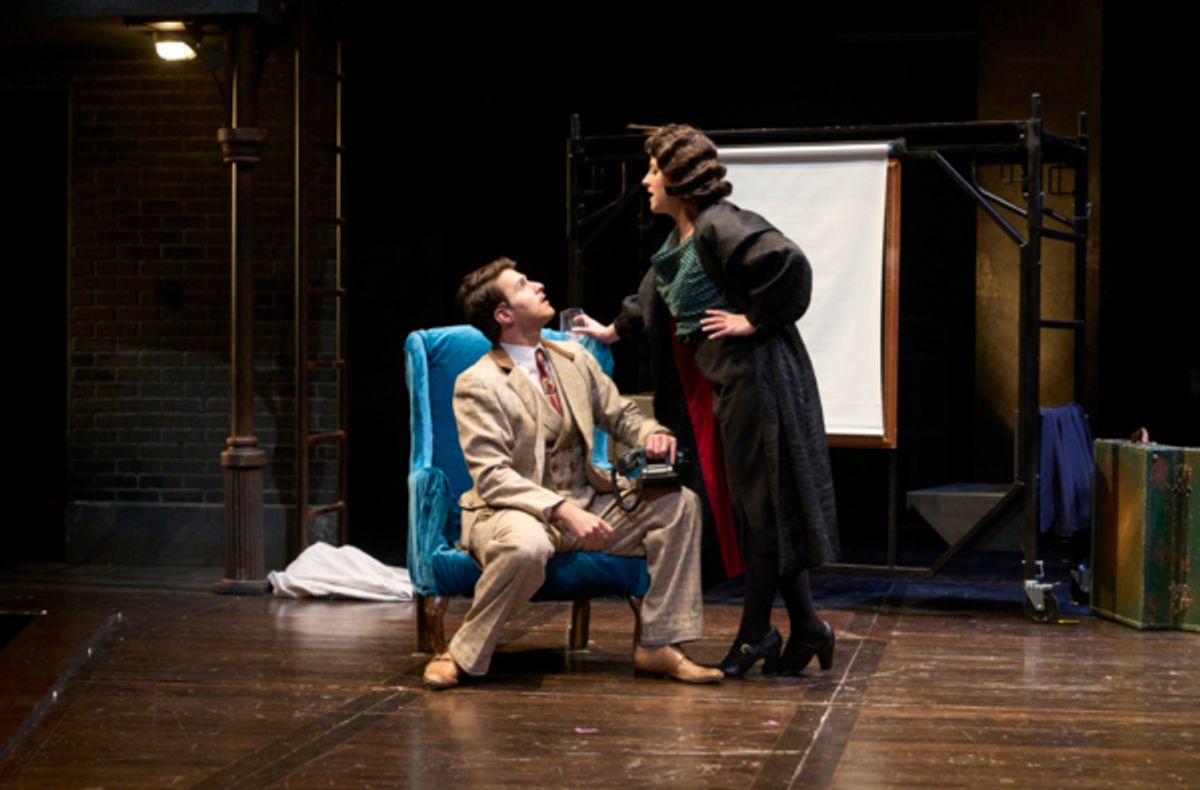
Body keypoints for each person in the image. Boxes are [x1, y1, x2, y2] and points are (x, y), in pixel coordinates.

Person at [572, 124, 840, 679]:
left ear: (679, 176)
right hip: (714, 389)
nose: (646, 180)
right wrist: (610, 332)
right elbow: (653, 298)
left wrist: (754, 318)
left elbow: (789, 264)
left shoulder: (723, 224)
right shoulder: (678, 240)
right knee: (751, 508)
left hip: (757, 384)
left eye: (653, 169)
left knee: (761, 510)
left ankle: (754, 636)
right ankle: (808, 626)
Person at [422, 256, 722, 690]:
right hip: (513, 512)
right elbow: (492, 477)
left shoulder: (573, 358)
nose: (538, 285)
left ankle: (658, 644)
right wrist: (561, 510)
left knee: (678, 504)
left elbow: (620, 415)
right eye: (523, 285)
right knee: (524, 548)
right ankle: (463, 653)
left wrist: (652, 432)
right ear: (504, 315)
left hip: (587, 499)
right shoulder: (479, 382)